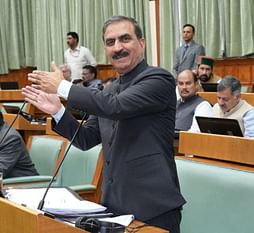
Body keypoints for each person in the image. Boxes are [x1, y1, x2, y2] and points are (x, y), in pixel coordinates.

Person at [23, 16, 185, 232]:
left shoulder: (158, 79)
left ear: (142, 43)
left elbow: (115, 107)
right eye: (110, 42)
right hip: (114, 207)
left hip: (154, 207)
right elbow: (86, 138)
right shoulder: (108, 92)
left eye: (125, 39)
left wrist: (63, 87)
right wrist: (58, 111)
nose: (118, 47)